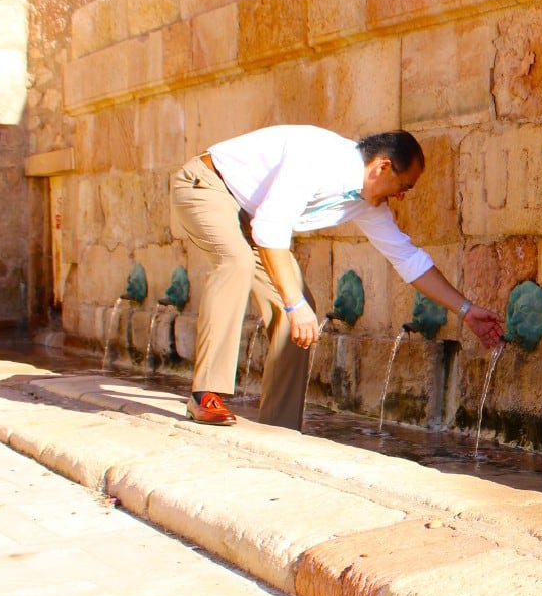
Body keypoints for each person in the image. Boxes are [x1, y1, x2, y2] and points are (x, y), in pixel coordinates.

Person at [168, 125, 505, 428]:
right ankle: (205, 395)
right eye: (403, 186)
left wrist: (466, 310)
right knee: (238, 263)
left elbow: (409, 259)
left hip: (252, 216)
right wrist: (293, 302)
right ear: (382, 166)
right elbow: (271, 230)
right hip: (208, 186)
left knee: (302, 311)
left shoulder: (365, 201)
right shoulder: (319, 158)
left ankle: (280, 426)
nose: (401, 196)